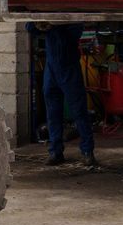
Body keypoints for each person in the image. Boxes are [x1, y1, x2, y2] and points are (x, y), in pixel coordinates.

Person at [41, 23, 97, 170]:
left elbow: (75, 32)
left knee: (79, 111)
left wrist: (53, 26)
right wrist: (43, 24)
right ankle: (55, 152)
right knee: (52, 112)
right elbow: (29, 26)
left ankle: (87, 151)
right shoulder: (46, 14)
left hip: (69, 67)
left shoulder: (71, 16)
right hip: (51, 67)